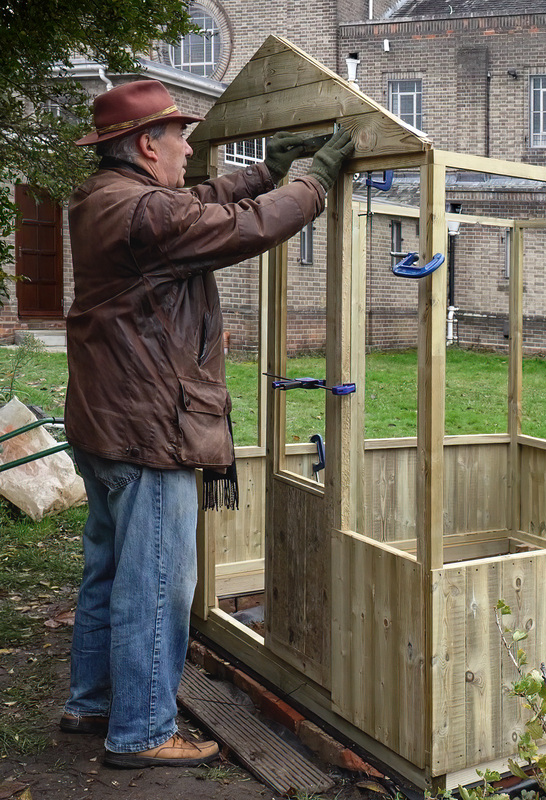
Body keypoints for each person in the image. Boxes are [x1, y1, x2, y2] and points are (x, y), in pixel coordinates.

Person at [61, 79, 355, 769]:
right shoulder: (139, 215)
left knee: (108, 571)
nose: (189, 150)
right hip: (147, 432)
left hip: (106, 423)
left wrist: (263, 171)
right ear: (144, 145)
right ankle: (142, 733)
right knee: (156, 584)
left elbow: (190, 204)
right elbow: (245, 225)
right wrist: (313, 181)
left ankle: (94, 700)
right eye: (180, 140)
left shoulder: (105, 199)